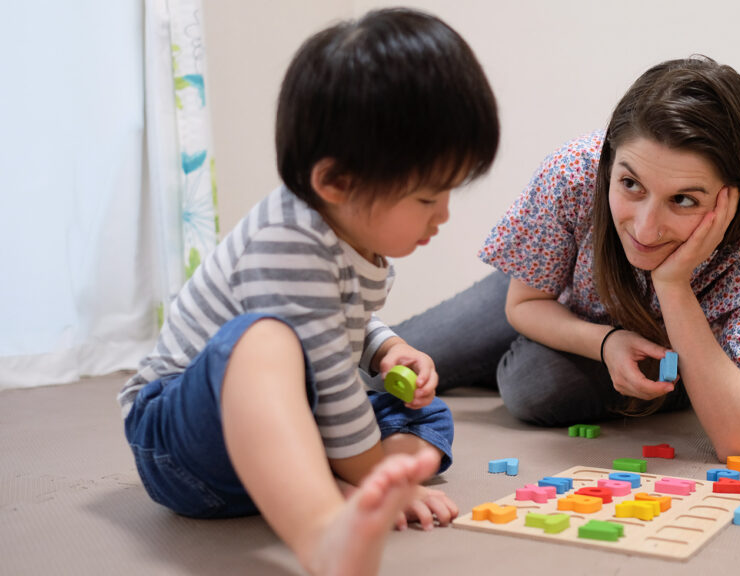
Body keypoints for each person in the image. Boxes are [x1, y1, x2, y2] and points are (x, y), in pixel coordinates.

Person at [117, 9, 499, 576]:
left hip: (276, 425)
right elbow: (326, 372)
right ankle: (322, 525)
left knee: (427, 411)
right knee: (265, 340)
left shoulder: (344, 230)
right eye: (426, 198)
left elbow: (342, 322)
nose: (442, 215)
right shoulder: (287, 240)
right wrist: (370, 472)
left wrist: (386, 348)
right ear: (336, 182)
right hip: (183, 441)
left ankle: (323, 478)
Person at [390, 56, 740, 463]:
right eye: (630, 184)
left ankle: (513, 359)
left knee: (531, 383)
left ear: (732, 197)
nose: (645, 230)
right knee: (384, 362)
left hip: (683, 351)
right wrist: (606, 342)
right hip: (553, 293)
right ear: (608, 164)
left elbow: (739, 439)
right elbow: (524, 303)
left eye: (683, 200)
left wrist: (672, 284)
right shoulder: (575, 170)